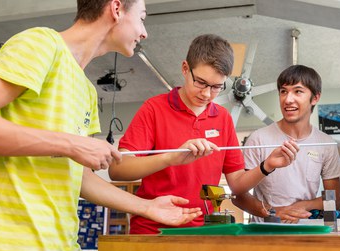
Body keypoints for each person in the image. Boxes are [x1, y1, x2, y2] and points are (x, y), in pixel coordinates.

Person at [0, 0, 202, 251]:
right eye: (142, 18)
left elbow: (80, 177)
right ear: (116, 9)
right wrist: (72, 144)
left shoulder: (86, 90)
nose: (144, 32)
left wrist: (147, 208)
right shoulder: (42, 44)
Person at [109, 34, 299, 234]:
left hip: (204, 231)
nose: (207, 94)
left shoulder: (223, 118)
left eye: (217, 87)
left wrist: (267, 166)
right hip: (154, 230)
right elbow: (118, 169)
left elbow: (236, 184)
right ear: (185, 69)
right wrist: (170, 158)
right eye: (200, 82)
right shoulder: (154, 109)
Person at [232, 65, 340, 223]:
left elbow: (334, 200)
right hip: (266, 234)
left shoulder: (326, 143)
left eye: (298, 91)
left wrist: (303, 205)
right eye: (283, 91)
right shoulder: (258, 139)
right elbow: (238, 196)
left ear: (315, 98)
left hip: (306, 231)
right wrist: (274, 212)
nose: (288, 99)